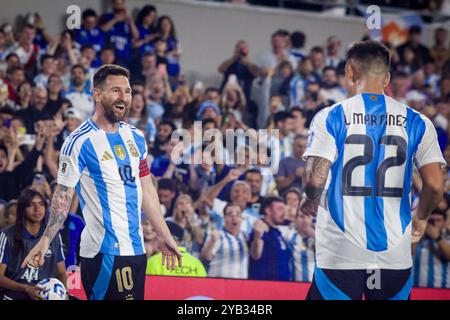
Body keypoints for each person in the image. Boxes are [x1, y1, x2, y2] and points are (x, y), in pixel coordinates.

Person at [21, 64, 182, 300]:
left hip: (135, 250)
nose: (124, 97)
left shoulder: (135, 136)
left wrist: (164, 234)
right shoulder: (79, 142)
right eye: (116, 90)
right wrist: (46, 239)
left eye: (127, 91)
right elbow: (63, 195)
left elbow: (146, 187)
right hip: (104, 251)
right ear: (97, 94)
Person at [300, 40, 446, 300]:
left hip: (341, 253)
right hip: (394, 255)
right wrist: (421, 218)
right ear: (387, 77)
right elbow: (435, 185)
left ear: (349, 71)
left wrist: (310, 198)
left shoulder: (331, 116)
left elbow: (314, 180)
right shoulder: (418, 121)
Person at [0, 188, 67, 300]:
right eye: (31, 204)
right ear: (22, 209)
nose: (37, 209)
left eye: (41, 204)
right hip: (15, 291)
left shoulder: (53, 236)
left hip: (45, 292)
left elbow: (61, 273)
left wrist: (64, 292)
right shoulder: (7, 236)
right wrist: (26, 288)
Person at [201, 203, 249, 279]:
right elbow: (205, 257)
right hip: (219, 285)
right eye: (230, 214)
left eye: (238, 214)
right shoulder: (218, 235)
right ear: (224, 218)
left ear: (241, 218)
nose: (234, 217)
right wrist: (212, 241)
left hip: (240, 286)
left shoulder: (245, 236)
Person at [249, 196, 290, 281]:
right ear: (268, 210)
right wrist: (257, 237)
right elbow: (255, 255)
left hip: (284, 287)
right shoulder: (260, 229)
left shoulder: (278, 233)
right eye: (279, 209)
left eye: (284, 209)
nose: (283, 213)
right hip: (264, 286)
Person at [413, 208, 450, 288]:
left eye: (438, 220)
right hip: (417, 289)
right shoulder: (417, 238)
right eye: (431, 221)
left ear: (444, 223)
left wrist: (437, 237)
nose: (435, 223)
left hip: (442, 290)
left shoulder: (447, 238)